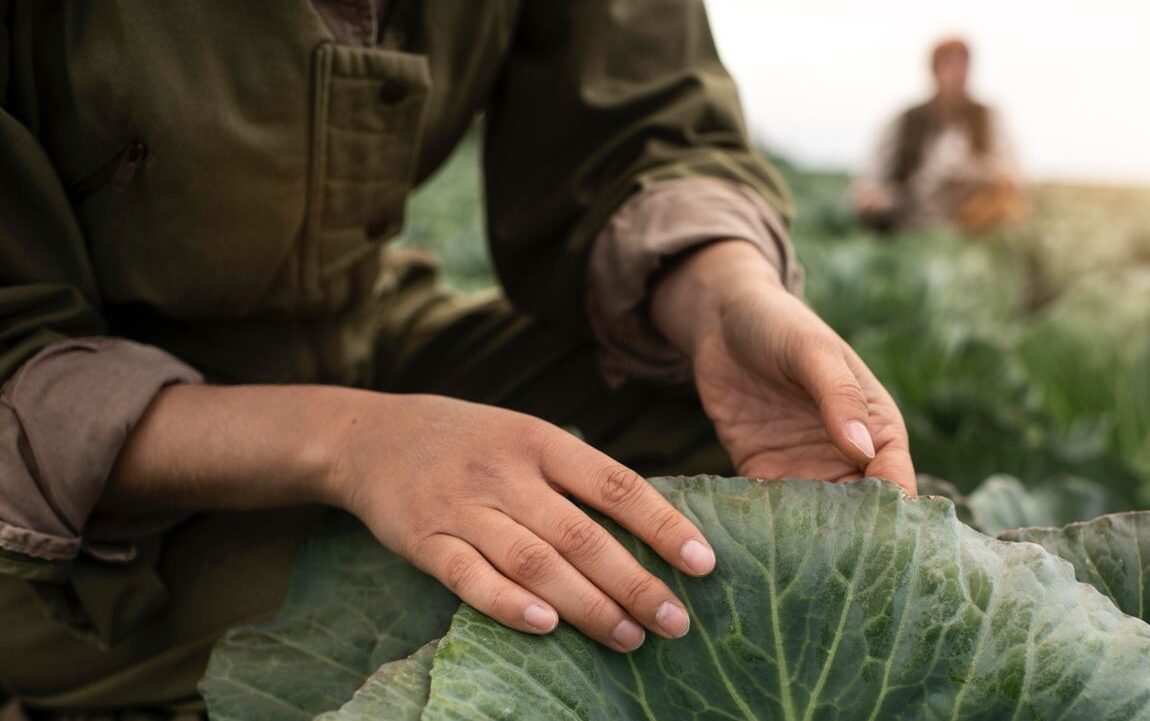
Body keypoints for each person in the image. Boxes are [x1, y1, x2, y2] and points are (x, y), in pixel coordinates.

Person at [0, 1, 914, 716]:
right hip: (65, 487)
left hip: (363, 339)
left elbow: (640, 123)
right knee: (406, 606)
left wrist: (727, 302)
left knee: (738, 460)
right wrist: (354, 444)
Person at [852, 37, 1024, 233]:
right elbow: (873, 176)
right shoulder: (906, 120)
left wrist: (973, 173)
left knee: (1004, 204)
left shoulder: (987, 118)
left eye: (963, 65)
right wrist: (874, 195)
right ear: (934, 70)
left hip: (970, 216)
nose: (958, 74)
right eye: (949, 65)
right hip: (910, 213)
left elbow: (1011, 173)